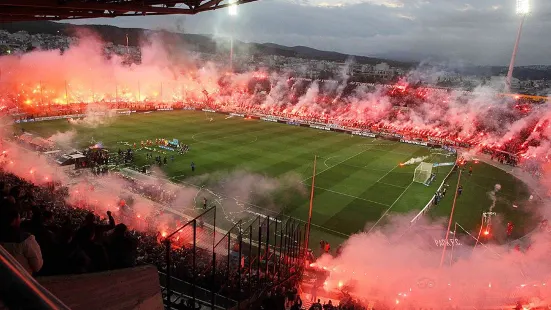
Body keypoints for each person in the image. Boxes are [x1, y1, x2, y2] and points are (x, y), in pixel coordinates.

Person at [0, 208, 43, 275]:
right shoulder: (26, 239)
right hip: (21, 281)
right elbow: (37, 266)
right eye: (19, 218)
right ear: (14, 220)